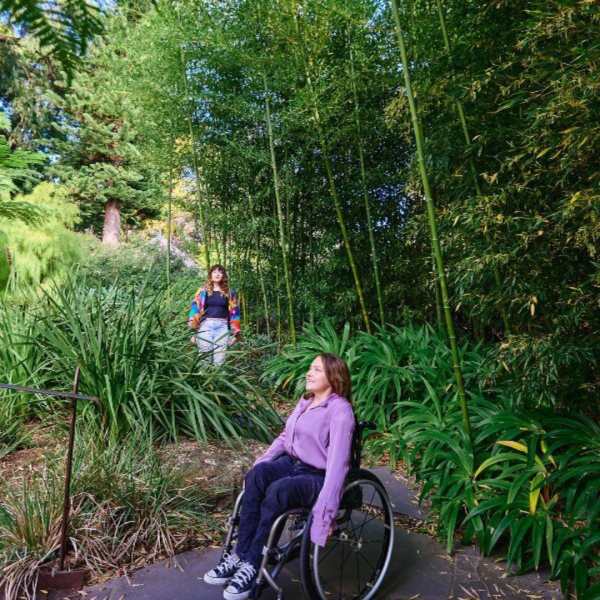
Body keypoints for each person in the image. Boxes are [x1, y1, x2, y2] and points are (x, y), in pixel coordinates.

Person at [203, 353, 355, 600]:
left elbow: (338, 465)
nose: (309, 373)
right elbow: (285, 438)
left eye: (316, 369)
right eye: (310, 368)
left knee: (279, 490)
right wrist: (260, 462)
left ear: (333, 376)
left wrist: (325, 516)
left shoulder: (340, 410)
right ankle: (240, 555)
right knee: (258, 475)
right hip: (292, 464)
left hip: (316, 475)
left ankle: (253, 564)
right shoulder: (306, 402)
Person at [189, 264, 241, 365]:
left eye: (220, 272)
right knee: (204, 357)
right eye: (215, 272)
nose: (217, 274)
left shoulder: (229, 292)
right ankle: (203, 380)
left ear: (223, 276)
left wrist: (235, 334)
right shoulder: (202, 291)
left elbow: (234, 313)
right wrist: (192, 332)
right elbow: (194, 310)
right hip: (205, 326)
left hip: (222, 328)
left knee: (220, 359)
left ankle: (219, 380)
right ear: (210, 275)